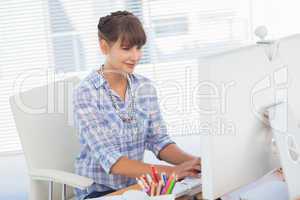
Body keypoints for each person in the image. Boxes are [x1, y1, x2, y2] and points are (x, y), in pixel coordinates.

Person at [73, 10, 201, 200]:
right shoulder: (86, 93)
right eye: (126, 48)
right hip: (100, 191)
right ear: (104, 47)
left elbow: (159, 141)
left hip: (138, 186)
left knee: (198, 193)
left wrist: (196, 163)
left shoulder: (144, 87)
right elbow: (111, 160)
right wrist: (171, 172)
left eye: (139, 48)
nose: (135, 56)